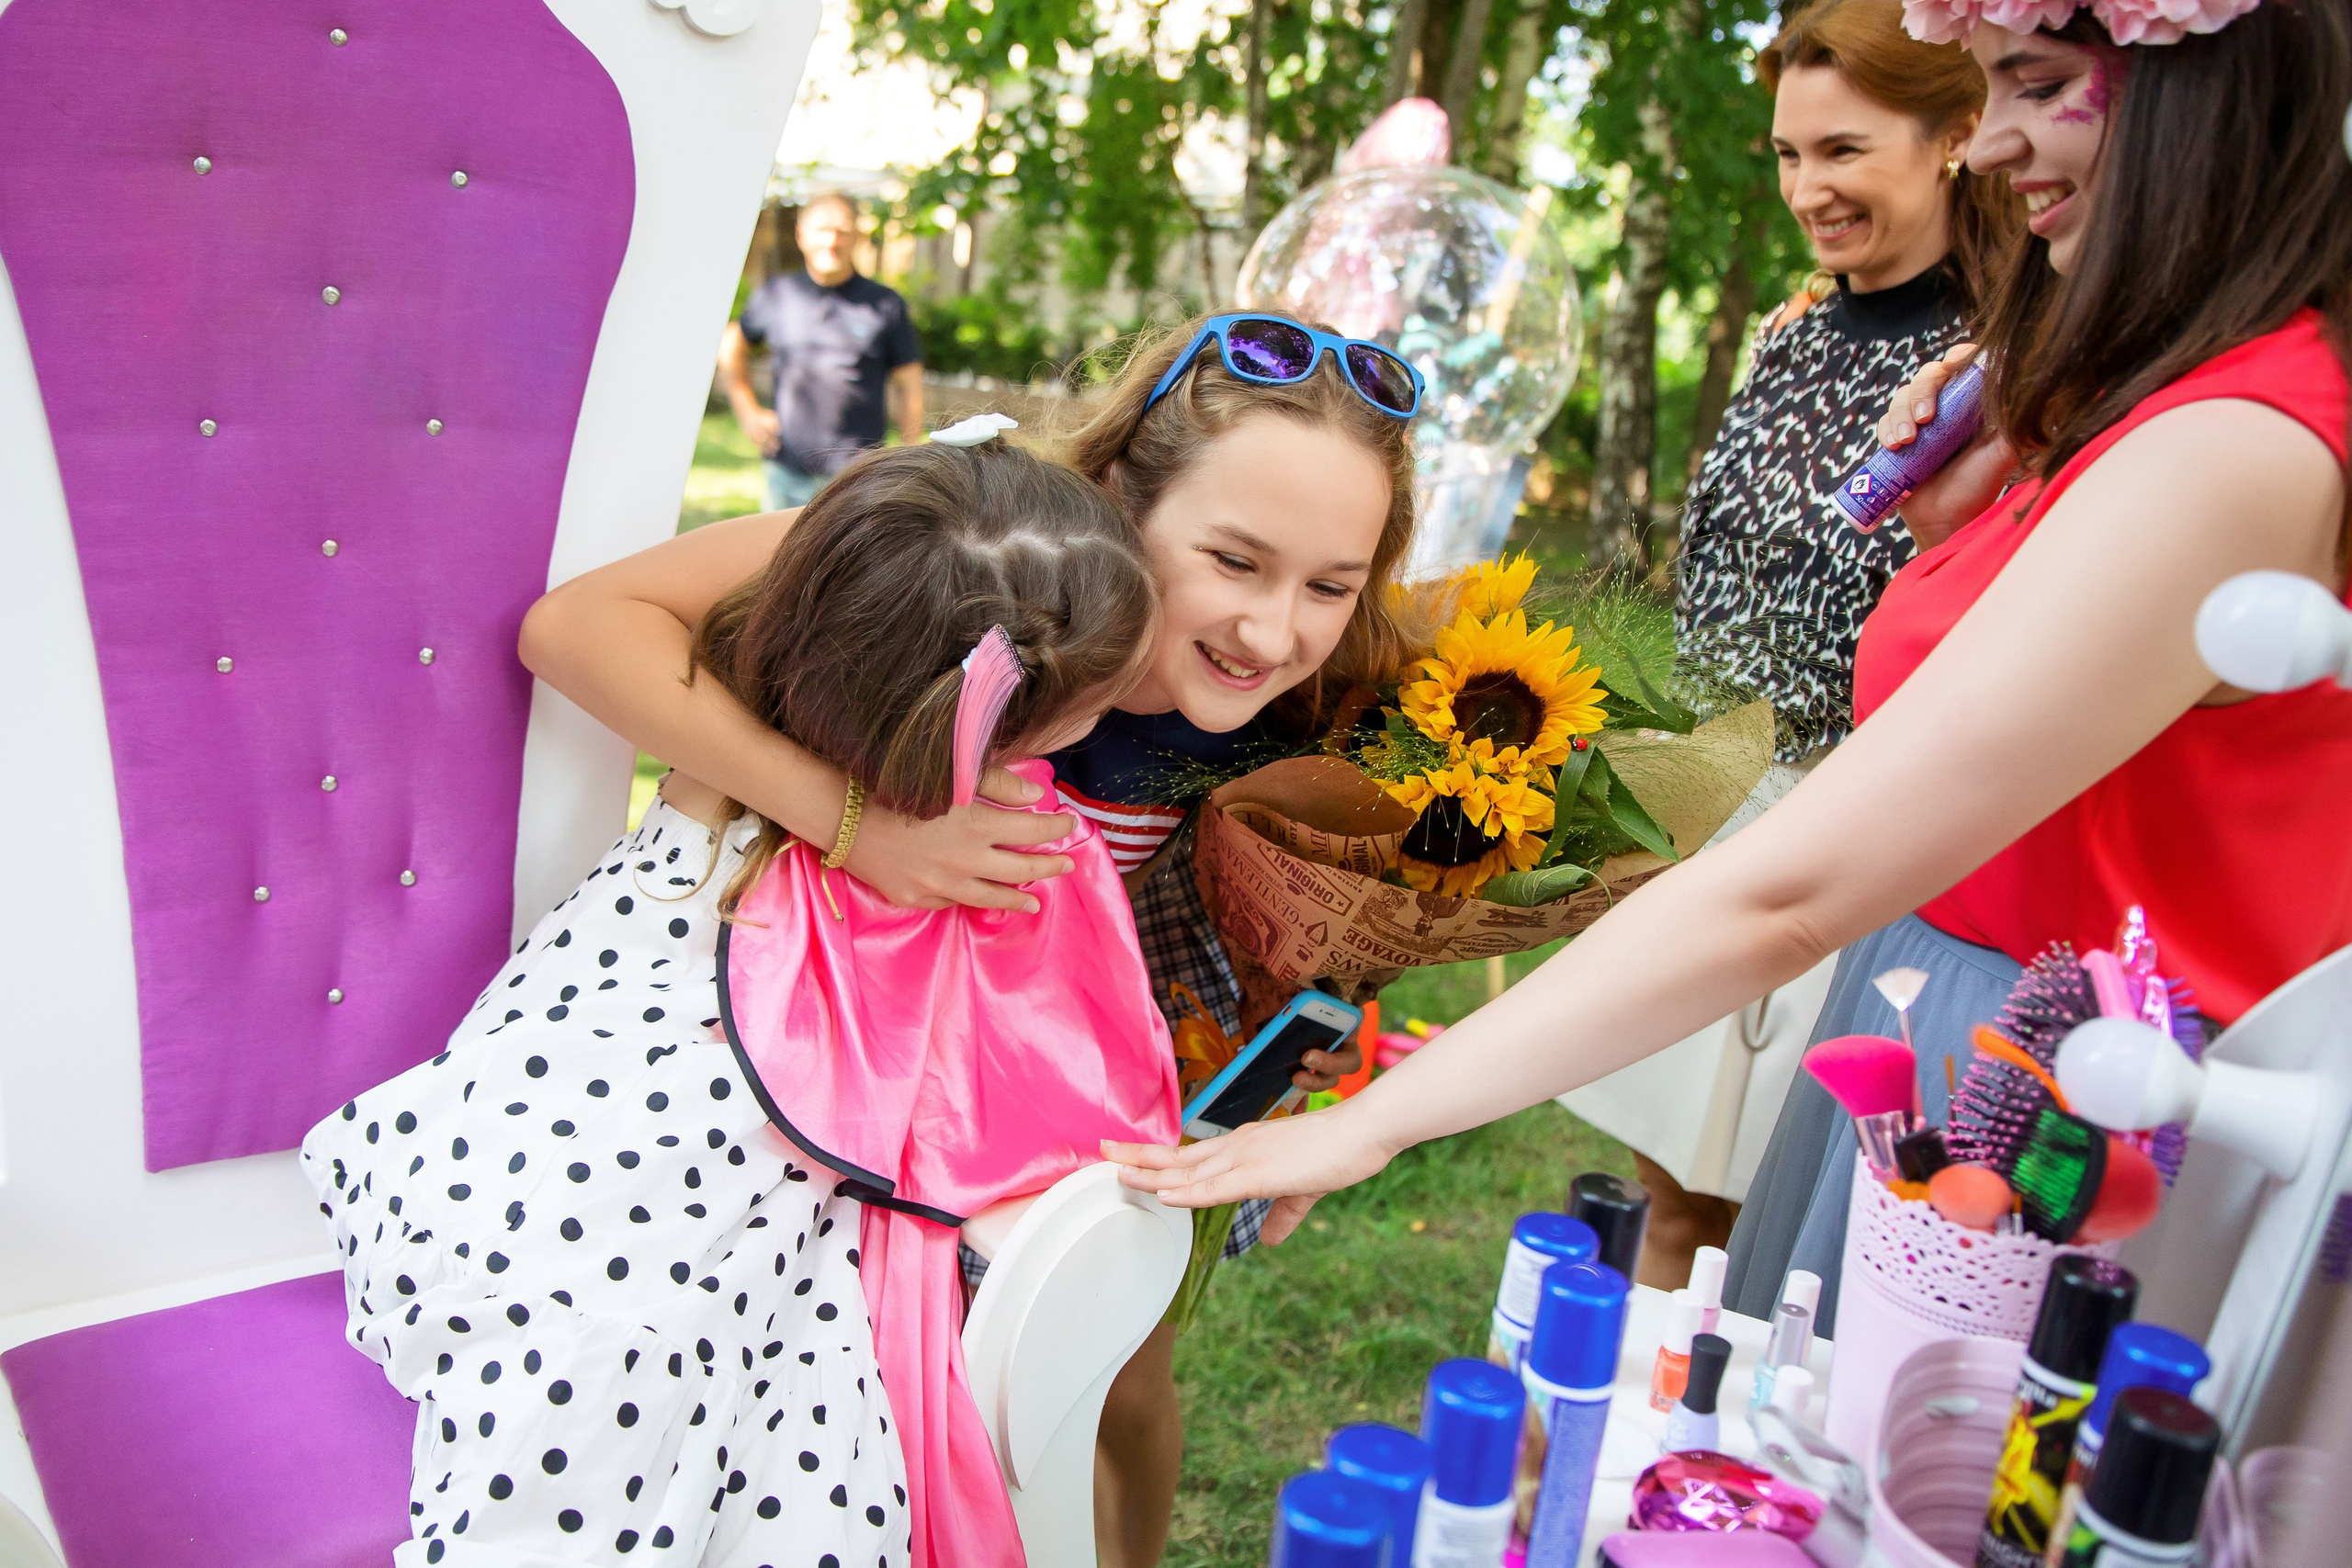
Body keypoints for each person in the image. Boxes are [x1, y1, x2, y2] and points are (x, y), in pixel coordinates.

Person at [1105, 0, 2352, 1340]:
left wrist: (1379, 1119)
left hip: (2073, 1094)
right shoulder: (2141, 401)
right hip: (1952, 1006)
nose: (1988, 145)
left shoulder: (2229, 445)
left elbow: (1794, 888)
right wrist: (1960, 530)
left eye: (2038, 87)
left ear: (2203, 103)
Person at [518, 311, 1427, 1567]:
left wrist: (1294, 1036)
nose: (1275, 632)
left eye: (1331, 584)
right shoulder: (986, 539)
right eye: (1233, 560)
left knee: (1117, 1367)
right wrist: (853, 822)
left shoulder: (1335, 691)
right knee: (884, 1388)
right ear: (1114, 494)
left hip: (1086, 1055)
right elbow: (582, 624)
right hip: (854, 1036)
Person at [305, 435, 1165, 1567]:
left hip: (528, 1094)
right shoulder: (982, 801)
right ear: (992, 728)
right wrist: (855, 825)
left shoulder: (885, 559)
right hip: (659, 1153)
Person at [1566, 0, 2017, 1291]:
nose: (1806, 188)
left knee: (1766, 1212)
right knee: (1658, 1184)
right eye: (1786, 154)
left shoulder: (1998, 369)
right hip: (1703, 799)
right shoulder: (1795, 333)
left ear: (1954, 138)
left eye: (1843, 151)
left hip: (1851, 827)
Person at [718, 192, 924, 513]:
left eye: (842, 231)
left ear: (856, 237)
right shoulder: (777, 295)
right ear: (801, 236)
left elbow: (909, 386)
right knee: (777, 562)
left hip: (857, 479)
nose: (832, 241)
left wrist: (910, 462)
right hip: (786, 471)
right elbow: (733, 343)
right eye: (822, 230)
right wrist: (747, 410)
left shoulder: (885, 304)